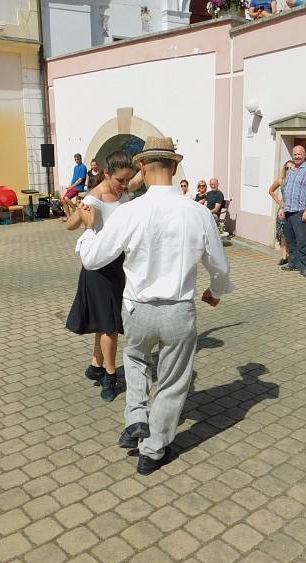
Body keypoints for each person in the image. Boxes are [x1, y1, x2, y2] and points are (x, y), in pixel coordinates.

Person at [76, 136, 233, 476]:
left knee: (135, 360)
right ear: (176, 167)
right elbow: (220, 266)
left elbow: (92, 259)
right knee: (174, 381)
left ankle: (136, 417)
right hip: (179, 309)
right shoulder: (199, 212)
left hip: (137, 309)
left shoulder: (131, 211)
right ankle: (153, 448)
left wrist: (89, 230)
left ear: (142, 168)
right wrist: (216, 291)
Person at [65, 151, 135, 402]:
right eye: (121, 180)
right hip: (98, 269)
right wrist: (83, 218)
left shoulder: (124, 190)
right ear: (107, 174)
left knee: (108, 321)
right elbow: (71, 224)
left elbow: (145, 177)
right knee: (110, 326)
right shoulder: (95, 197)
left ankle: (96, 365)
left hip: (118, 265)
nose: (126, 185)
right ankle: (110, 375)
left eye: (129, 180)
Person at [281, 145, 306, 278]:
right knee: (290, 239)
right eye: (294, 154)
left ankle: (305, 267)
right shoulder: (290, 171)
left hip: (300, 211)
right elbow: (285, 191)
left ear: (304, 155)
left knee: (301, 240)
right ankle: (293, 263)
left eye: (299, 154)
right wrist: (281, 207)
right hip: (288, 210)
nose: (296, 156)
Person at [268, 160, 295, 265]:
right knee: (283, 235)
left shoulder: (296, 180)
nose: (288, 170)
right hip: (283, 210)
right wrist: (279, 202)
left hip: (294, 210)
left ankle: (292, 256)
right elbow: (271, 190)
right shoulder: (281, 180)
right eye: (286, 168)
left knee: (292, 235)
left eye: (291, 168)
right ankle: (284, 257)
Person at [61, 153, 87, 221]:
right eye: (75, 159)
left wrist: (72, 186)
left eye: (77, 159)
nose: (76, 161)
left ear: (81, 159)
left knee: (66, 198)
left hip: (78, 187)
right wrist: (69, 185)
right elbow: (73, 178)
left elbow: (80, 180)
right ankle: (68, 216)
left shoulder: (83, 167)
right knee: (63, 200)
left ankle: (76, 212)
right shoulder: (75, 167)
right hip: (73, 187)